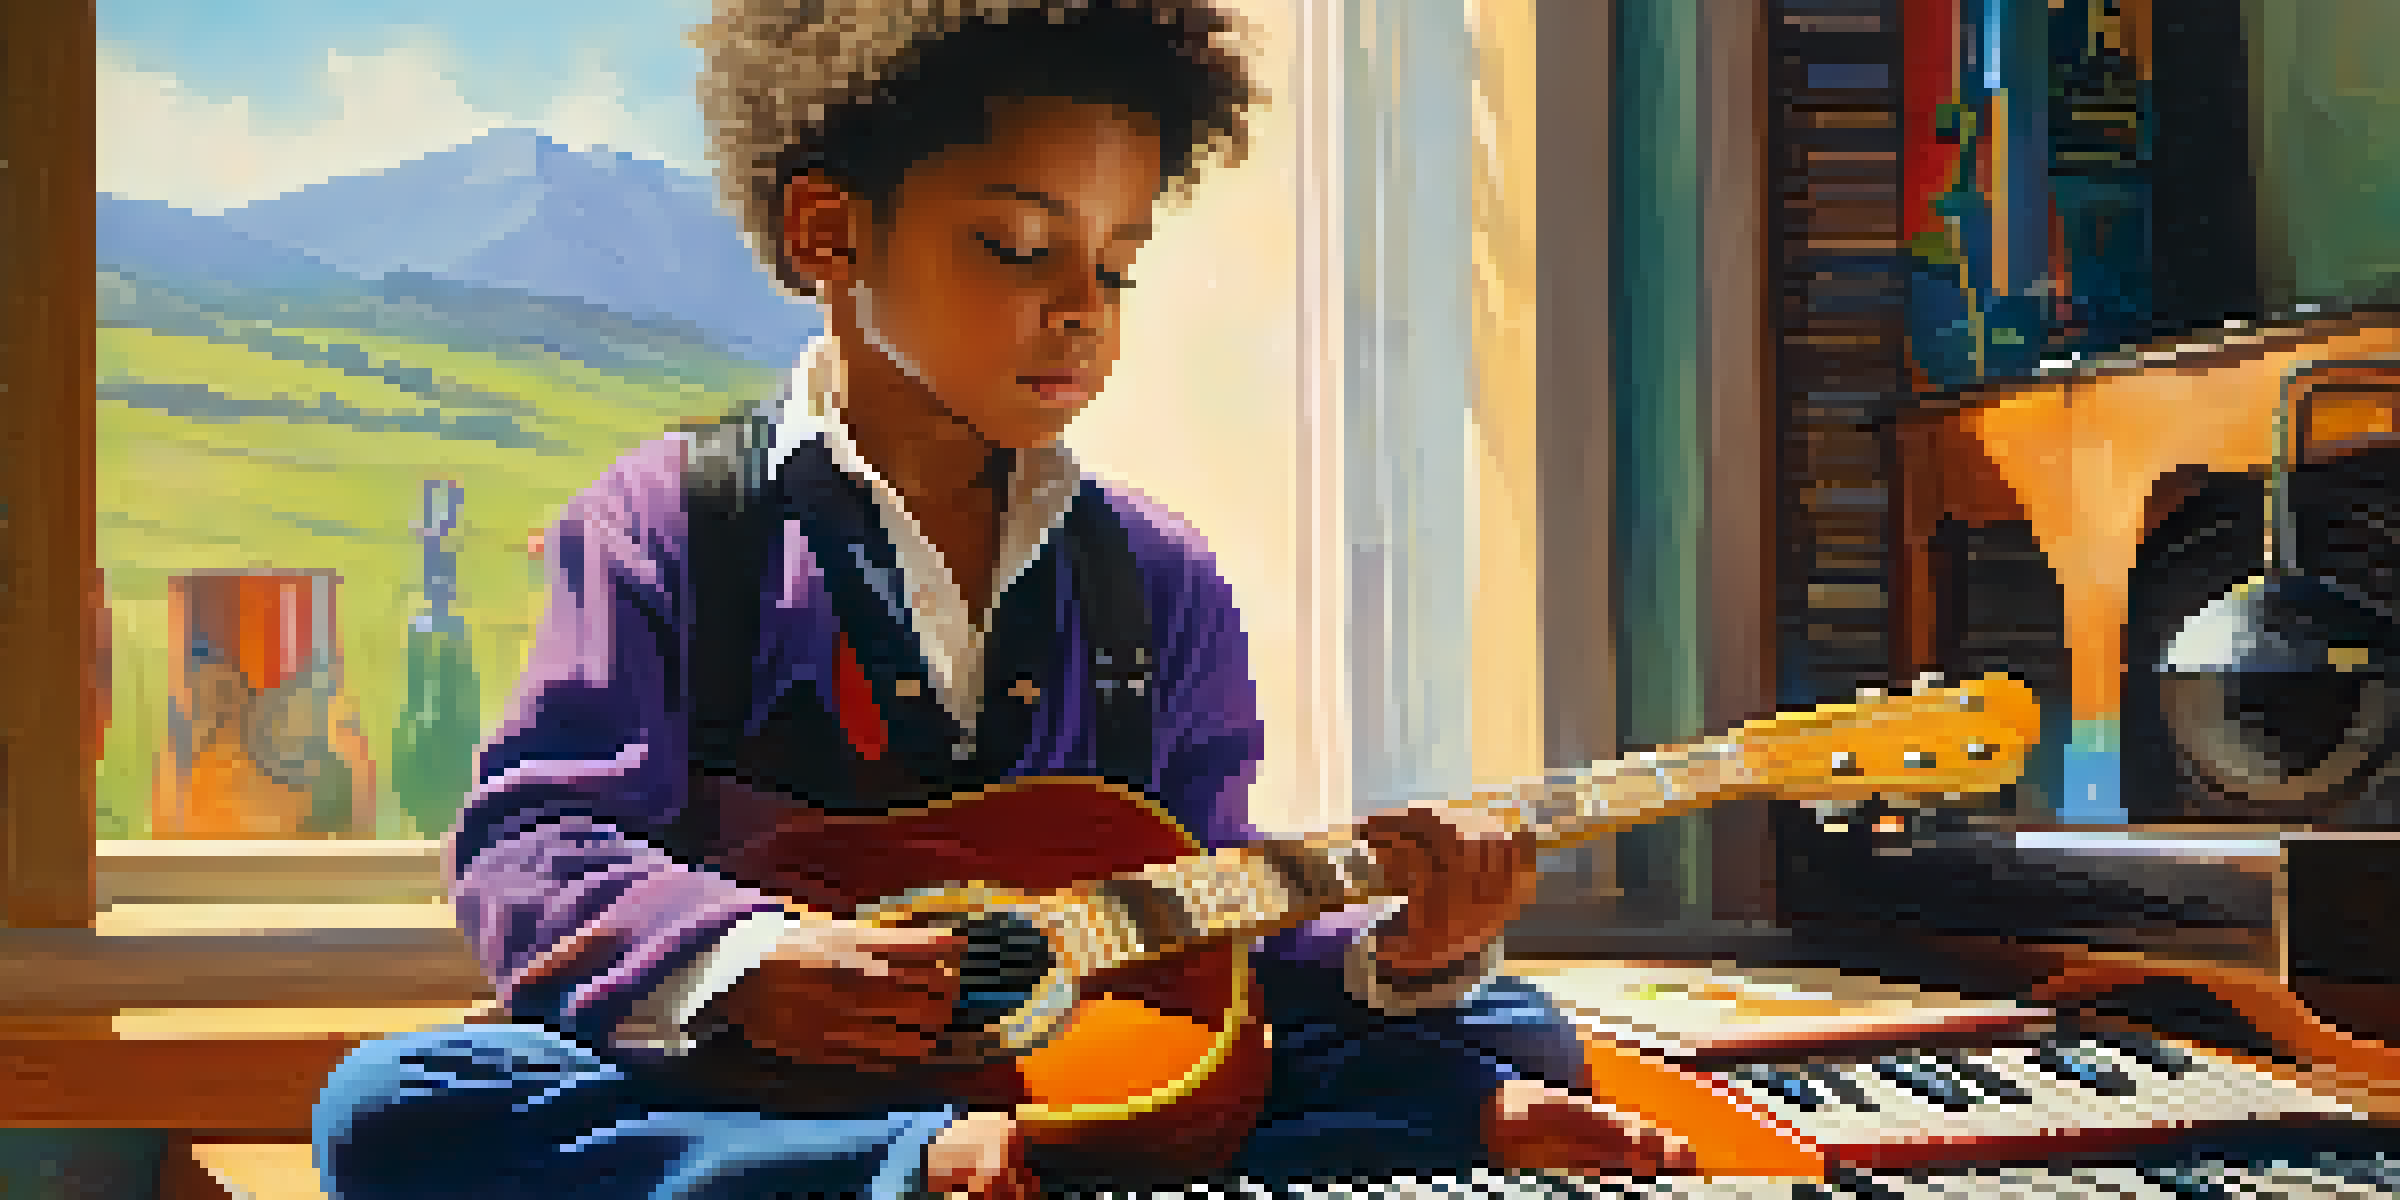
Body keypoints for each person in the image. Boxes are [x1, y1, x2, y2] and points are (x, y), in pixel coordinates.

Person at [312, 3, 1691, 1196]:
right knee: (397, 1105)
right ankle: (905, 1167)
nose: (1084, 308)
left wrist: (1408, 947)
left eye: (1118, 263)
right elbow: (533, 840)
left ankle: (1124, 1144)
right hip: (761, 1084)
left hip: (1076, 1054)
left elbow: (1209, 902)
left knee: (1505, 1023)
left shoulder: (1157, 576)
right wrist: (746, 960)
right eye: (1020, 247)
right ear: (828, 232)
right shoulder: (676, 521)